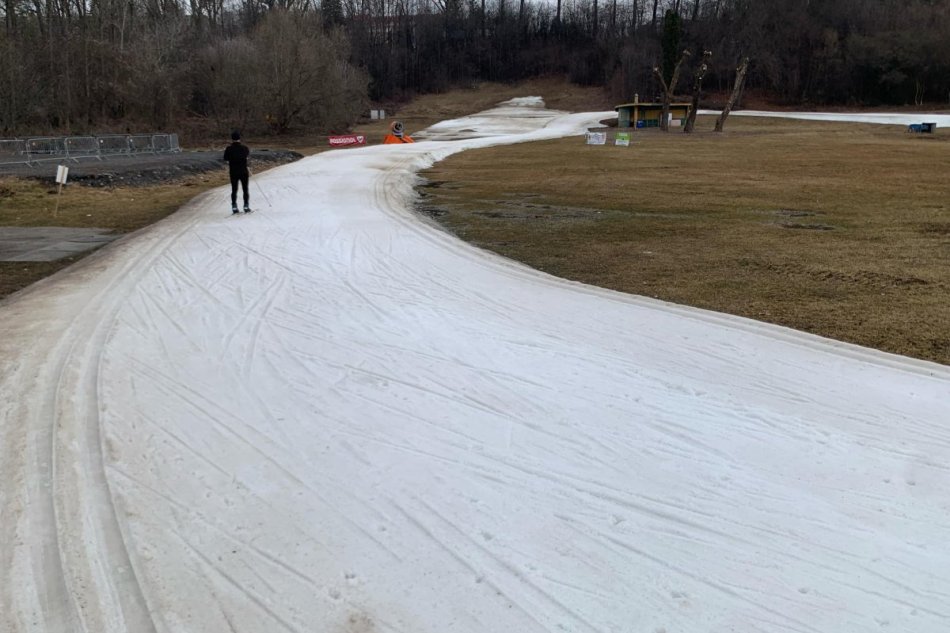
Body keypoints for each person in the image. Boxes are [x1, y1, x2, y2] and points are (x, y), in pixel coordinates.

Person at [223, 130, 251, 213]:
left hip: (233, 171)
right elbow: (247, 156)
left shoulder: (229, 149)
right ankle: (246, 205)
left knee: (234, 189)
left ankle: (234, 206)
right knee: (245, 189)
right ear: (239, 138)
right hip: (243, 171)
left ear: (232, 139)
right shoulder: (245, 148)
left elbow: (225, 158)